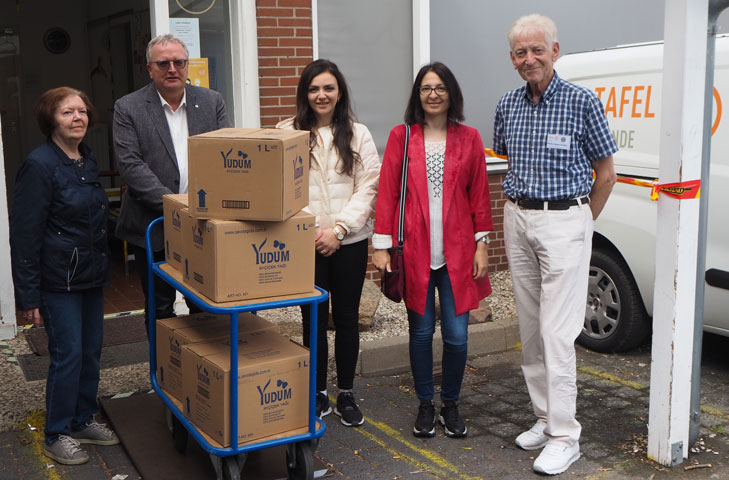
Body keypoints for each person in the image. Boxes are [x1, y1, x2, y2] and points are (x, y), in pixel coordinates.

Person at [492, 14, 617, 475]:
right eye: (521, 53)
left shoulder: (583, 102)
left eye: (537, 50)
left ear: (555, 51)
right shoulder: (507, 105)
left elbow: (606, 176)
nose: (530, 59)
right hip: (518, 217)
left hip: (565, 219)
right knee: (530, 330)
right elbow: (508, 158)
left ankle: (566, 437)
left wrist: (581, 224)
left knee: (557, 334)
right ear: (512, 59)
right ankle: (545, 419)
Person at [373, 62, 493, 439]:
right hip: (415, 251)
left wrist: (481, 244)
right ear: (417, 95)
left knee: (458, 337)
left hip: (458, 250)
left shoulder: (470, 137)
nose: (434, 94)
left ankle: (451, 404)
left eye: (440, 87)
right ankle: (426, 405)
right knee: (421, 334)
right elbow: (389, 191)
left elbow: (479, 193)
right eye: (426, 88)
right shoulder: (402, 136)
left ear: (451, 93)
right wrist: (383, 245)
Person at [10, 87, 119, 465]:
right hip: (59, 281)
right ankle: (57, 432)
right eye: (67, 112)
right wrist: (28, 297)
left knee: (91, 353)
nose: (78, 117)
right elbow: (25, 235)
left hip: (91, 276)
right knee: (68, 355)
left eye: (82, 111)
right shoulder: (40, 165)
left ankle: (82, 418)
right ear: (50, 120)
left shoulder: (85, 159)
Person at [276, 59, 380, 427]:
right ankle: (317, 392)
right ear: (305, 93)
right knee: (313, 319)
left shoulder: (358, 133)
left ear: (339, 92)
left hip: (349, 242)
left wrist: (337, 231)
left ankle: (347, 393)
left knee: (348, 318)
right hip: (307, 243)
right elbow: (283, 190)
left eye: (329, 88)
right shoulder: (287, 132)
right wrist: (314, 233)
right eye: (314, 88)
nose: (322, 95)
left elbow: (368, 186)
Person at [113, 34, 230, 327]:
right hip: (152, 225)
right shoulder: (128, 108)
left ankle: (202, 367)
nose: (172, 69)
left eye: (179, 62)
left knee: (204, 304)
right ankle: (166, 370)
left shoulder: (212, 101)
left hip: (202, 225)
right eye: (163, 63)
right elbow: (131, 166)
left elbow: (225, 155)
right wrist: (176, 206)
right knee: (160, 309)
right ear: (150, 68)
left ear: (187, 65)